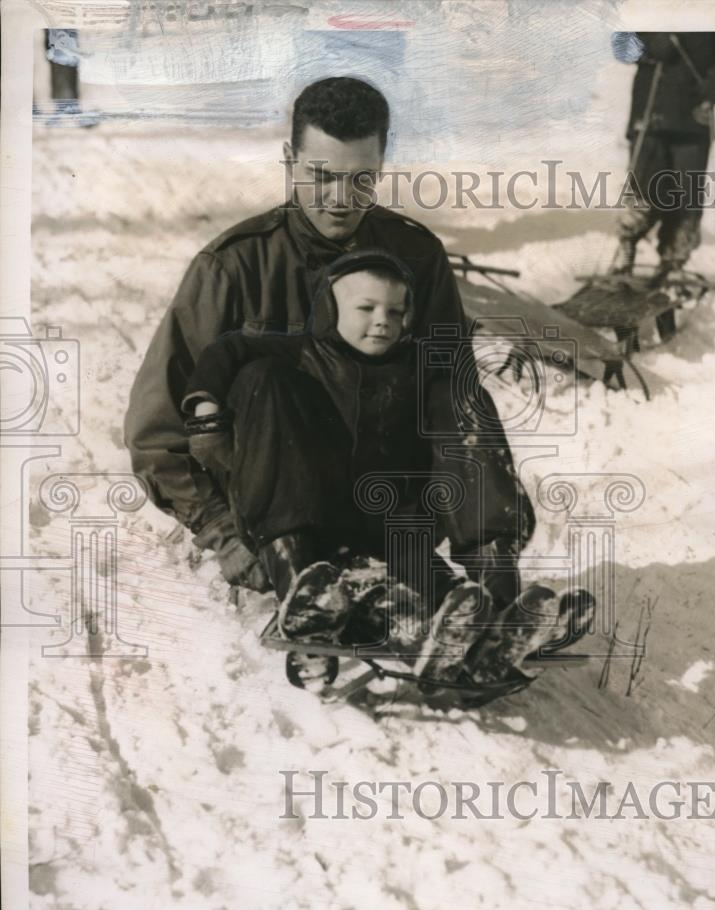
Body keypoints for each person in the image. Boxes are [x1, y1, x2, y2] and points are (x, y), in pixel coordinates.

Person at [124, 75, 524, 599]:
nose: (340, 199)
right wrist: (223, 533)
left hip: (392, 509)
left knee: (453, 390)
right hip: (276, 517)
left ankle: (495, 586)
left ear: (381, 167)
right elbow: (157, 431)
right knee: (265, 375)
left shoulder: (417, 258)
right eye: (321, 175)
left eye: (361, 179)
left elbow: (454, 405)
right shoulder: (235, 266)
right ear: (290, 161)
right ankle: (305, 578)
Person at [182, 249, 529, 641]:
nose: (382, 320)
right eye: (366, 308)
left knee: (460, 398)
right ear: (331, 310)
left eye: (395, 312)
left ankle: (496, 596)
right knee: (266, 378)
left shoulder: (418, 367)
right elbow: (229, 350)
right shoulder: (301, 356)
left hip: (398, 532)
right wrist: (205, 409)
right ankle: (303, 589)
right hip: (313, 528)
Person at [612, 32, 715, 280]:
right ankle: (624, 256)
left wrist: (713, 86)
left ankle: (672, 263)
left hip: (692, 116)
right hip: (650, 112)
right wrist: (649, 43)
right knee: (643, 192)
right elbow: (621, 46)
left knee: (685, 196)